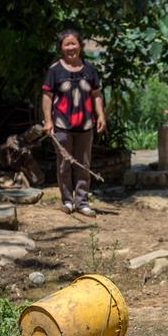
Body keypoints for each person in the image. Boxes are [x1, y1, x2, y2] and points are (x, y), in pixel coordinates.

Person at [42, 28, 106, 217]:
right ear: (61, 48)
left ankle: (82, 202)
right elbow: (47, 96)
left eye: (74, 43)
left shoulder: (90, 70)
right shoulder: (55, 71)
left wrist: (100, 115)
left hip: (86, 125)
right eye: (66, 44)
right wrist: (48, 121)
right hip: (62, 125)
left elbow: (96, 95)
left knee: (84, 164)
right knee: (64, 164)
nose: (71, 47)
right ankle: (67, 201)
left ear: (80, 45)